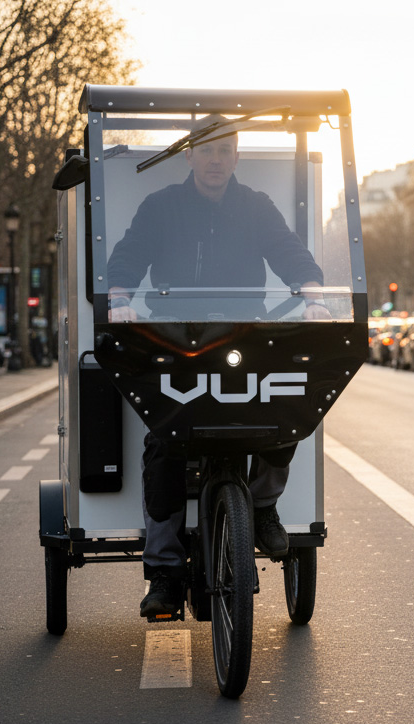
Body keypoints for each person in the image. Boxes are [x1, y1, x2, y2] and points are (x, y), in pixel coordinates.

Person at [104, 123, 331, 619]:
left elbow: (292, 256)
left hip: (244, 336)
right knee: (163, 444)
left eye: (225, 151)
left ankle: (264, 506)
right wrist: (119, 300)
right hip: (173, 339)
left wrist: (313, 294)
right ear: (190, 156)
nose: (215, 160)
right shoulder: (161, 206)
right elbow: (126, 260)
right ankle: (164, 571)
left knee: (285, 411)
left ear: (235, 158)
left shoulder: (256, 206)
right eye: (207, 151)